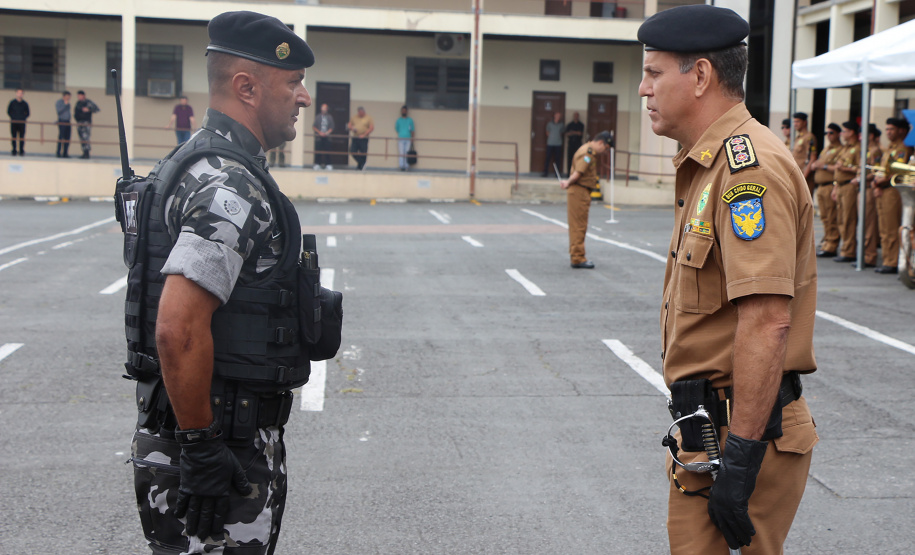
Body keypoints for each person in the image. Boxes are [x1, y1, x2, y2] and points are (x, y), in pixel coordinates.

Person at [126, 11, 316, 554]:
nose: (303, 98)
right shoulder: (226, 183)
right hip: (216, 444)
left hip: (209, 433)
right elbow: (178, 328)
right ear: (246, 87)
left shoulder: (202, 163)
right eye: (292, 83)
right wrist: (203, 447)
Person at [637, 5, 818, 553]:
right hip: (709, 430)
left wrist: (739, 460)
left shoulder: (748, 170)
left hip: (744, 433)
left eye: (653, 72)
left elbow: (767, 321)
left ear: (699, 77)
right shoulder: (709, 163)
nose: (643, 89)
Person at [559, 130, 612, 269]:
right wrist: (567, 182)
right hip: (579, 190)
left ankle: (577, 255)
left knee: (578, 225)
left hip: (580, 190)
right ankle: (577, 257)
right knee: (579, 226)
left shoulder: (587, 150)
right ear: (601, 142)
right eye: (605, 148)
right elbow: (578, 173)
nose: (604, 151)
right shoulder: (587, 152)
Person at [872, 117, 913, 274]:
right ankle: (888, 259)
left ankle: (893, 261)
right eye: (887, 129)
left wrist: (878, 183)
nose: (888, 132)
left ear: (901, 131)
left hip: (892, 190)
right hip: (883, 189)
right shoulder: (890, 147)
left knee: (891, 227)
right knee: (884, 227)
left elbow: (896, 172)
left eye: (891, 129)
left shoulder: (903, 148)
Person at [849, 123, 882, 267]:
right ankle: (864, 254)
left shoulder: (875, 151)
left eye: (863, 135)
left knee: (868, 225)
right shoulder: (866, 150)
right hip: (861, 189)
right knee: (863, 223)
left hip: (868, 188)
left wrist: (860, 179)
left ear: (871, 136)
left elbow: (876, 171)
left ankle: (869, 255)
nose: (860, 138)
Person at [809, 123, 843, 257]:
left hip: (830, 184)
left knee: (831, 216)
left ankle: (832, 244)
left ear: (838, 134)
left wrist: (823, 166)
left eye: (831, 133)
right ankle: (827, 241)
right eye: (826, 133)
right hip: (821, 187)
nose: (828, 136)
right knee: (824, 217)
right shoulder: (826, 149)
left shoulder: (840, 149)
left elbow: (837, 167)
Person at [830, 121, 862, 263]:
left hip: (850, 186)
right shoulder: (845, 148)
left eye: (845, 131)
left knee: (848, 219)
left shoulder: (858, 148)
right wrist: (836, 186)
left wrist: (845, 169)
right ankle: (845, 249)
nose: (842, 134)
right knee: (841, 219)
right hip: (841, 185)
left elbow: (860, 168)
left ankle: (849, 251)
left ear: (852, 132)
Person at [791, 112, 818, 194]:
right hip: (797, 176)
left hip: (805, 177)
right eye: (794, 122)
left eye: (798, 121)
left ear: (805, 122)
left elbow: (813, 158)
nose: (795, 124)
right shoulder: (798, 137)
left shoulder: (809, 137)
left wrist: (804, 177)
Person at [74, 90, 100, 159]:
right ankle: (84, 152)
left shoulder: (88, 102)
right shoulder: (78, 103)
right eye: (78, 96)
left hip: (86, 123)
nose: (79, 97)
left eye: (80, 96)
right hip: (79, 122)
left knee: (86, 137)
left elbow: (97, 109)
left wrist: (88, 109)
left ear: (83, 96)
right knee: (81, 138)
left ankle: (87, 153)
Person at [347, 106, 373, 170]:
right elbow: (349, 125)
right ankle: (361, 163)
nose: (360, 114)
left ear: (363, 112)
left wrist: (364, 135)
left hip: (364, 138)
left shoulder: (368, 118)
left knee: (363, 152)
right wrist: (352, 128)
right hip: (356, 136)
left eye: (361, 113)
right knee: (352, 151)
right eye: (359, 112)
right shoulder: (355, 117)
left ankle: (360, 166)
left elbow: (371, 128)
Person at [7, 88, 29, 156]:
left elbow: (27, 113)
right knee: (14, 137)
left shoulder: (25, 103)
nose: (20, 94)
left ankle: (21, 151)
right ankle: (14, 150)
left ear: (23, 94)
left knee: (21, 137)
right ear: (16, 93)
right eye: (19, 93)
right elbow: (9, 111)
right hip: (14, 122)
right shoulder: (12, 103)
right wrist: (13, 117)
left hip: (22, 123)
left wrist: (22, 118)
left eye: (21, 93)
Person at [312, 103, 334, 170]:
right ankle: (317, 164)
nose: (324, 109)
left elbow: (332, 127)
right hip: (319, 137)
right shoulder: (318, 117)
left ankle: (328, 164)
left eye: (325, 108)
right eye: (323, 108)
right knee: (318, 150)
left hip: (327, 137)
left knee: (327, 150)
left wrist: (327, 133)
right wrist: (319, 133)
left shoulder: (330, 117)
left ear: (327, 109)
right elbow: (314, 126)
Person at [543, 112, 564, 177]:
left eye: (559, 116)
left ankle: (557, 174)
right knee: (547, 158)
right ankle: (545, 173)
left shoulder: (561, 124)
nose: (558, 117)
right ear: (554, 116)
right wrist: (552, 137)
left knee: (557, 159)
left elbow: (562, 132)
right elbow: (547, 132)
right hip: (550, 143)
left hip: (558, 144)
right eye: (557, 115)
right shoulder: (549, 124)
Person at [395, 104, 415, 171]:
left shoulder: (410, 120)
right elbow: (397, 129)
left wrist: (412, 138)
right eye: (402, 111)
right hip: (401, 138)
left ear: (407, 111)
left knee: (407, 153)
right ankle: (401, 166)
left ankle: (406, 166)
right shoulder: (398, 120)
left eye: (405, 111)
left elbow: (412, 130)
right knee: (401, 153)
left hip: (408, 139)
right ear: (401, 111)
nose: (403, 112)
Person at [564, 112, 584, 176]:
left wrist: (572, 132)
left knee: (578, 158)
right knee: (570, 158)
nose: (576, 117)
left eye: (577, 116)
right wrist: (575, 132)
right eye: (575, 115)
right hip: (571, 143)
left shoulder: (581, 125)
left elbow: (580, 133)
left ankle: (577, 173)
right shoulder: (569, 125)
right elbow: (567, 134)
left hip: (578, 144)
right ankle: (569, 173)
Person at [55, 91, 72, 158]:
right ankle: (58, 152)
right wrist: (65, 105)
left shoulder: (68, 104)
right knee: (61, 137)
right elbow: (59, 112)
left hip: (68, 121)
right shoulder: (59, 102)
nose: (69, 98)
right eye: (68, 96)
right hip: (62, 121)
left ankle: (65, 153)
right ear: (64, 96)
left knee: (67, 137)